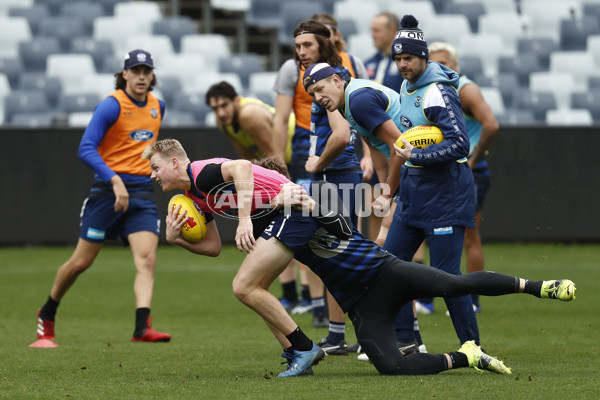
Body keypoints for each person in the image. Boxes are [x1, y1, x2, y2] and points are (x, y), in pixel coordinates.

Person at [145, 139, 577, 377]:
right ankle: (467, 356)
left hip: (378, 270)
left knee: (452, 284)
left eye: (154, 168)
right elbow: (214, 246)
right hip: (358, 300)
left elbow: (241, 168)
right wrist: (177, 238)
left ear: (176, 160)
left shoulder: (208, 174)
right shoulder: (207, 200)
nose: (152, 176)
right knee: (390, 366)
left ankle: (539, 286)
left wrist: (265, 209)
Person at [303, 14, 480, 354]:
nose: (402, 64)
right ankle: (406, 342)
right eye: (398, 59)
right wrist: (394, 186)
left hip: (446, 189)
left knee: (445, 277)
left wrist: (391, 187)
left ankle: (472, 347)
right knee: (389, 266)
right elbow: (392, 151)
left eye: (408, 58)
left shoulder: (434, 90)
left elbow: (455, 145)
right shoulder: (403, 87)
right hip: (416, 186)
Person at [33, 49, 170, 346]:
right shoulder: (111, 106)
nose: (142, 77)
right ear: (124, 75)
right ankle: (47, 311)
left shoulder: (158, 106)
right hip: (108, 194)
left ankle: (142, 327)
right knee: (81, 262)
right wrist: (114, 179)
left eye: (147, 71)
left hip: (142, 195)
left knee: (147, 259)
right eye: (136, 71)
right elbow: (86, 147)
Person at [204, 81, 308, 314]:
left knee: (296, 223)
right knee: (278, 227)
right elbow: (248, 163)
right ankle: (291, 295)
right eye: (215, 108)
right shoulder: (226, 123)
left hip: (297, 158)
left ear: (235, 101)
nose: (220, 112)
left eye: (224, 105)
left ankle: (310, 296)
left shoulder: (249, 114)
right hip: (282, 165)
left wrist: (286, 189)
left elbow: (274, 157)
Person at [416, 41, 501, 315]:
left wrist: (474, 159)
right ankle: (429, 298)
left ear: (454, 65)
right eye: (432, 62)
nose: (436, 68)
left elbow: (491, 124)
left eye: (442, 63)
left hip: (468, 171)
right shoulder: (431, 90)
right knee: (432, 232)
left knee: (468, 239)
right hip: (442, 171)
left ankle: (472, 299)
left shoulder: (465, 89)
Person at [364, 11, 403, 92]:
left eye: (376, 31)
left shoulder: (405, 62)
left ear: (393, 30)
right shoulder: (368, 63)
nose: (372, 35)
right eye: (372, 30)